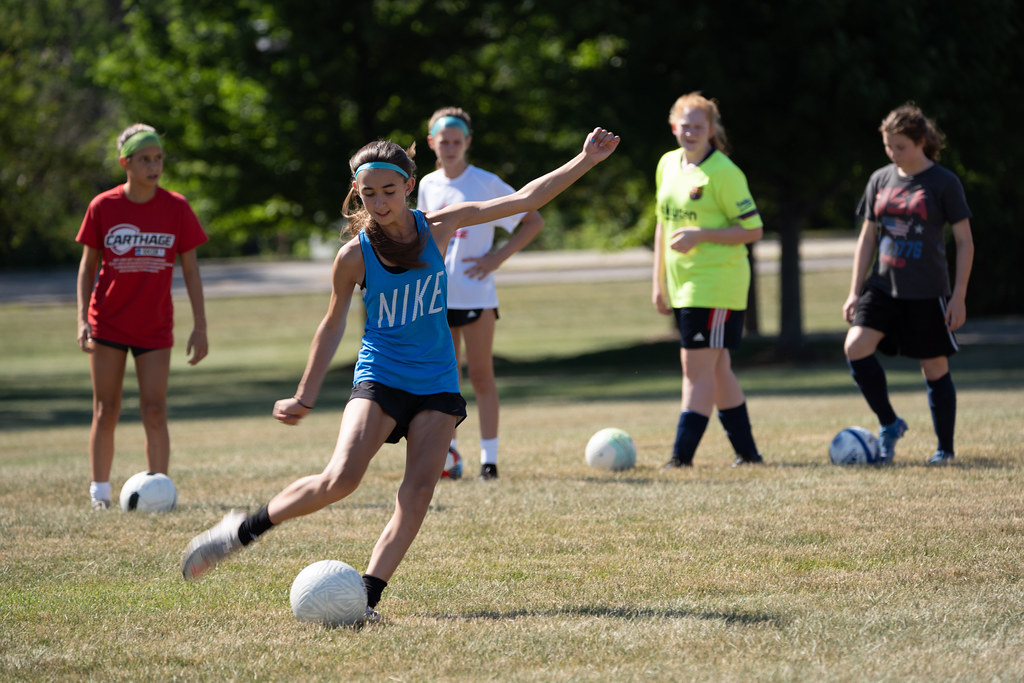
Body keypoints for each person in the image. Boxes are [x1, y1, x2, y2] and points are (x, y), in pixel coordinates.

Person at [180, 126, 620, 622]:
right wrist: (304, 396)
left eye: (389, 190)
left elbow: (523, 200)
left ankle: (367, 597)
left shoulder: (440, 225)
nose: (380, 201)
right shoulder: (353, 256)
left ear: (410, 185)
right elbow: (332, 326)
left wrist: (585, 160)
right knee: (340, 479)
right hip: (382, 376)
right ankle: (242, 531)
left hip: (436, 381)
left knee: (417, 495)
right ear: (357, 193)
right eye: (369, 193)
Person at [76, 123, 209, 511]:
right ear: (126, 162)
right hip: (108, 322)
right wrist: (82, 319)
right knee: (106, 408)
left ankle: (160, 493)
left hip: (154, 325)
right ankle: (99, 492)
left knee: (154, 408)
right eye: (145, 160)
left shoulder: (177, 207)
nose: (154, 166)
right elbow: (87, 267)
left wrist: (200, 325)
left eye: (159, 159)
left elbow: (192, 270)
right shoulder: (103, 206)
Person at [416, 107, 545, 481]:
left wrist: (496, 258)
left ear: (468, 142)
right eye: (444, 142)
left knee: (482, 377)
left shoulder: (485, 182)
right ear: (432, 143)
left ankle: (489, 460)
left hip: (476, 297)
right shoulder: (426, 184)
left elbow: (532, 218)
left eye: (458, 141)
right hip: (438, 299)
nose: (451, 147)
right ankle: (448, 455)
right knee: (444, 379)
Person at [843, 103, 974, 465]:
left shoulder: (944, 182)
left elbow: (965, 241)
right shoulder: (880, 179)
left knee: (933, 368)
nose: (893, 153)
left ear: (920, 142)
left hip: (926, 291)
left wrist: (958, 295)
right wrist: (855, 290)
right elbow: (867, 237)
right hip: (883, 286)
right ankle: (890, 423)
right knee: (855, 347)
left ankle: (944, 450)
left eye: (900, 146)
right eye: (888, 146)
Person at [651, 92, 764, 469]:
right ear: (673, 127)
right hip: (683, 286)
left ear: (712, 130)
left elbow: (753, 230)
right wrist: (659, 282)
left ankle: (681, 458)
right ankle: (748, 454)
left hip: (717, 286)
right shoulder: (667, 164)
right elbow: (662, 224)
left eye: (699, 126)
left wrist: (700, 235)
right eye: (685, 126)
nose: (691, 132)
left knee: (695, 370)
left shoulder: (724, 173)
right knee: (717, 370)